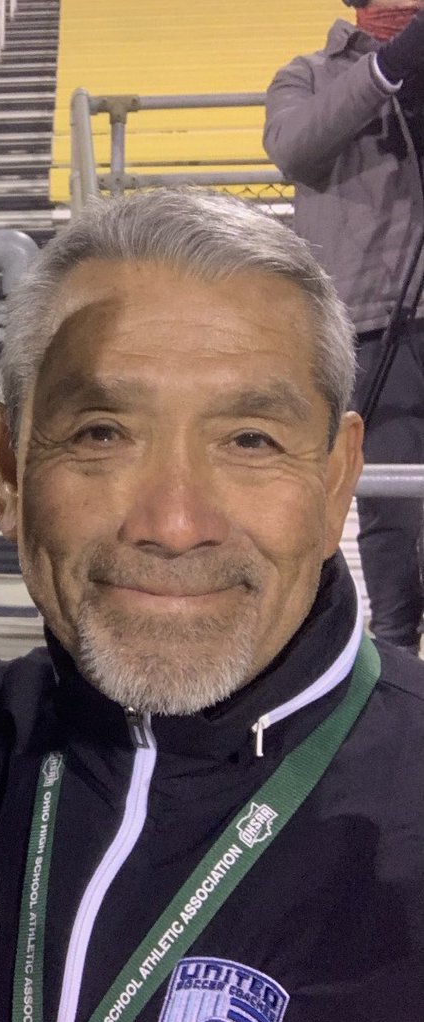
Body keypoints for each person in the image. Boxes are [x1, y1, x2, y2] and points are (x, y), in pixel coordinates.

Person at [0, 188, 424, 1022]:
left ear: (338, 478)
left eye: (251, 440)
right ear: (4, 467)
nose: (172, 521)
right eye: (103, 433)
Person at [264, 0, 424, 652]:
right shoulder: (305, 74)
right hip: (372, 325)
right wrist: (386, 71)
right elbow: (294, 148)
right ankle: (394, 653)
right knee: (390, 508)